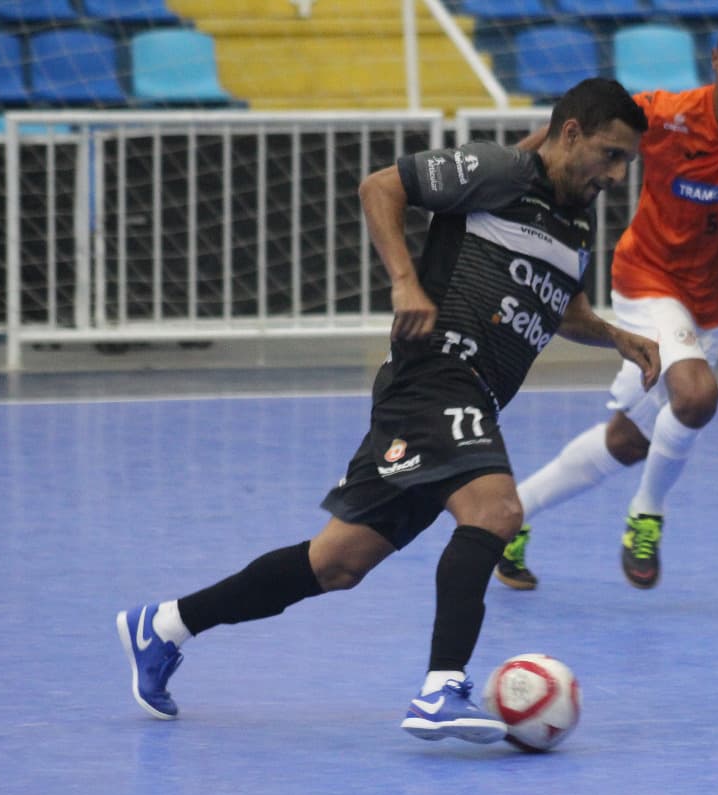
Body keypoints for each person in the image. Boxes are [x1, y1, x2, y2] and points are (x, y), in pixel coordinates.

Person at [116, 77, 657, 743]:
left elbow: (560, 306)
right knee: (496, 510)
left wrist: (615, 335)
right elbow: (380, 186)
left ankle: (163, 625)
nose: (618, 172)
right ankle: (440, 688)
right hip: (435, 377)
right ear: (569, 133)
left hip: (467, 397)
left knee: (337, 563)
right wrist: (406, 282)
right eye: (610, 154)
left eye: (627, 160)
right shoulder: (500, 170)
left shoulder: (573, 220)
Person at [495, 16, 718, 592]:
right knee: (697, 397)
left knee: (630, 440)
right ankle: (647, 515)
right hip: (647, 279)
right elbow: (565, 131)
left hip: (710, 307)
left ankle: (510, 518)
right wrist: (501, 177)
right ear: (714, 61)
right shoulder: (666, 111)